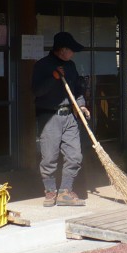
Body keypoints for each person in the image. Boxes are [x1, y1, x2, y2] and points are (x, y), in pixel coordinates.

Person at [31, 31, 89, 207]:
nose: (73, 53)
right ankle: (50, 191)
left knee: (75, 155)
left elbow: (77, 89)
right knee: (49, 157)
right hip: (49, 116)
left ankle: (65, 191)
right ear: (62, 49)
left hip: (69, 116)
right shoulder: (42, 65)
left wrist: (81, 105)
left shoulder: (70, 66)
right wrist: (53, 78)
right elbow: (37, 91)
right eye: (71, 50)